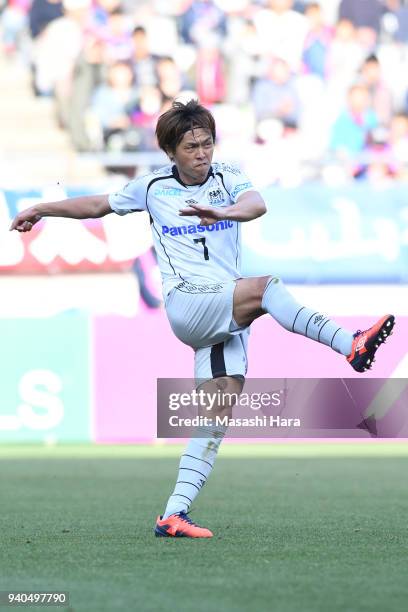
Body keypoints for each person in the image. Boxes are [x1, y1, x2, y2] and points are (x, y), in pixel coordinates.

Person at [10, 99, 395, 539]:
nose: (201, 153)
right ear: (171, 152)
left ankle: (173, 514)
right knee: (267, 288)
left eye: (207, 143)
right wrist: (43, 208)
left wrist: (224, 212)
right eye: (191, 146)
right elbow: (98, 205)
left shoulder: (228, 178)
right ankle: (351, 345)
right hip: (189, 304)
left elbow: (256, 204)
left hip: (224, 308)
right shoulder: (153, 187)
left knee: (215, 417)